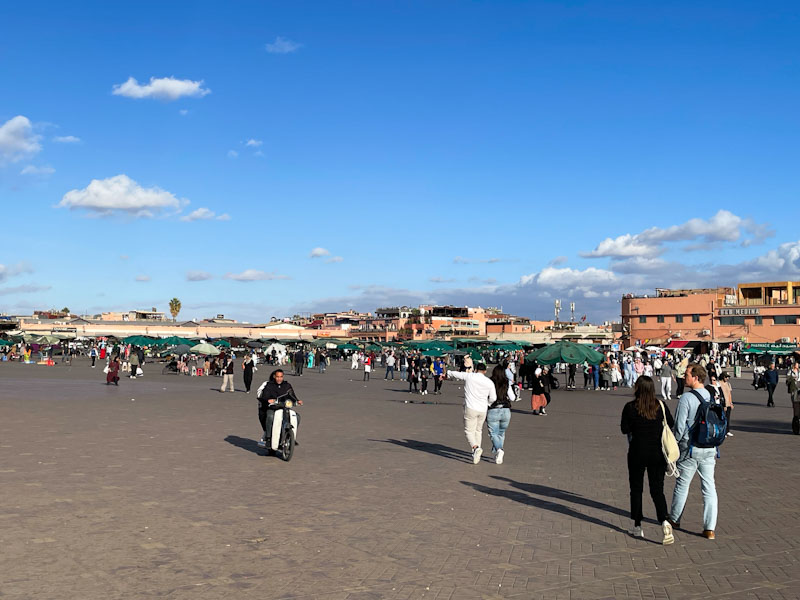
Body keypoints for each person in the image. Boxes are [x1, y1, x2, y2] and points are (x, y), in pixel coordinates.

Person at [620, 376, 675, 544]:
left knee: (636, 489)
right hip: (657, 453)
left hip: (637, 452)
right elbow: (670, 423)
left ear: (637, 388)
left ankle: (637, 525)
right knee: (657, 489)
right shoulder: (661, 406)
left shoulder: (630, 407)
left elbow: (624, 429)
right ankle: (664, 521)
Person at [669, 364, 719, 540]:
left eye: (687, 374)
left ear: (696, 377)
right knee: (709, 487)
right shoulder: (712, 395)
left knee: (682, 485)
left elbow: (680, 427)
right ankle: (709, 528)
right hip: (710, 447)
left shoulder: (686, 398)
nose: (684, 377)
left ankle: (675, 519)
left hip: (690, 449)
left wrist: (673, 445)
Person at [447, 362, 496, 464]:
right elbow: (493, 398)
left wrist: (448, 372)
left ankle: (475, 448)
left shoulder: (470, 376)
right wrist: (488, 403)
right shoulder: (489, 382)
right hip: (483, 409)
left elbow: (457, 374)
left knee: (469, 431)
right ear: (485, 371)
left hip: (471, 407)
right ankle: (476, 453)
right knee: (478, 430)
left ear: (476, 369)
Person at [256, 369, 303, 447]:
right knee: (270, 416)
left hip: (284, 407)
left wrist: (297, 401)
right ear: (274, 377)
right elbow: (265, 396)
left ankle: (292, 437)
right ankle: (268, 437)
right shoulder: (269, 385)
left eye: (281, 377)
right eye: (277, 377)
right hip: (273, 408)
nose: (279, 379)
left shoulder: (287, 385)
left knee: (297, 417)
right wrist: (268, 400)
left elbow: (292, 395)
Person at [488, 365, 513, 464]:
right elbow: (512, 397)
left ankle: (499, 450)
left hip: (493, 409)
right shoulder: (507, 383)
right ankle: (498, 453)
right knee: (501, 433)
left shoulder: (490, 382)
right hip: (506, 410)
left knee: (493, 433)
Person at [719, 372, 734, 437]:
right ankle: (722, 432)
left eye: (728, 377)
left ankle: (727, 430)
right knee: (722, 418)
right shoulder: (719, 384)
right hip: (722, 403)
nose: (727, 378)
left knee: (727, 418)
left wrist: (731, 403)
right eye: (726, 377)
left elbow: (729, 394)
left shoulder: (728, 384)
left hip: (728, 403)